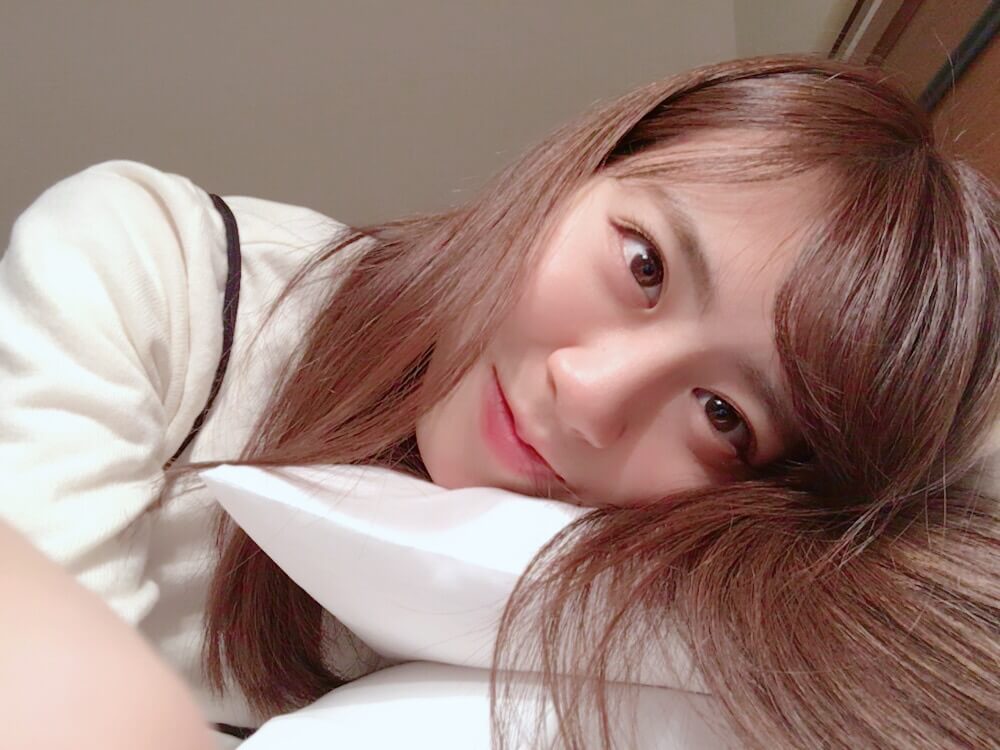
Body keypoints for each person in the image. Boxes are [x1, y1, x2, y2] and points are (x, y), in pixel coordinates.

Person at [1, 53, 997, 749]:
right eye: (643, 265)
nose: (590, 395)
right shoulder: (153, 277)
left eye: (722, 415)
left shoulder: (593, 620)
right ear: (582, 167)